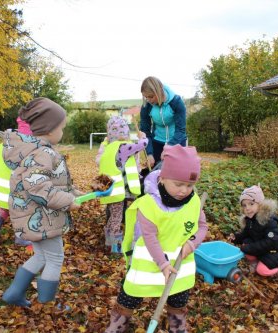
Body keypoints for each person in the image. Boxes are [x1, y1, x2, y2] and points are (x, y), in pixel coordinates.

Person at [105, 145, 208, 333]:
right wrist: (162, 264)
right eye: (178, 184)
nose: (184, 190)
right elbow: (150, 237)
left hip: (179, 266)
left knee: (178, 298)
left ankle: (177, 327)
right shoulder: (148, 204)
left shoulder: (193, 202)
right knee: (130, 295)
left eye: (190, 185)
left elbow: (202, 227)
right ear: (162, 178)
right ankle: (116, 327)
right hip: (149, 265)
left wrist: (193, 243)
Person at [1, 97, 81, 307]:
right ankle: (47, 306)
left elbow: (54, 181)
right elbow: (38, 188)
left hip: (37, 216)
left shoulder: (39, 150)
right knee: (55, 259)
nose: (62, 132)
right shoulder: (42, 153)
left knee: (40, 257)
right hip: (43, 218)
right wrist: (68, 202)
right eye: (61, 127)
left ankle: (13, 295)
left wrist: (74, 193)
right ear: (49, 128)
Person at [97, 116, 148, 253]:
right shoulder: (124, 147)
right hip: (120, 191)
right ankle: (115, 247)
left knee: (114, 215)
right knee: (117, 217)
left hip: (112, 189)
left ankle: (109, 242)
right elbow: (142, 144)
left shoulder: (109, 147)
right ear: (124, 133)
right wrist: (143, 136)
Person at [0, 117, 33, 247]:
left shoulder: (4, 144)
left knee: (5, 207)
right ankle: (20, 238)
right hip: (13, 190)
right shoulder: (26, 148)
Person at [229, 185, 278, 283]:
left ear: (260, 204)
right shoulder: (250, 219)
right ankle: (257, 263)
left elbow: (269, 242)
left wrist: (250, 248)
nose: (247, 208)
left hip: (276, 251)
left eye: (251, 204)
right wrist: (236, 238)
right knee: (246, 246)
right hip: (263, 249)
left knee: (262, 270)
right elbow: (246, 234)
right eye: (244, 205)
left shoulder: (268, 221)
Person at [139, 76, 187, 168]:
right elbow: (145, 131)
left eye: (151, 96)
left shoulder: (176, 102)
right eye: (146, 97)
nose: (148, 100)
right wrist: (149, 153)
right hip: (157, 141)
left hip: (177, 141)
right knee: (156, 173)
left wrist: (169, 147)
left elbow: (181, 130)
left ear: (159, 92)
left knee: (176, 172)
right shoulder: (147, 106)